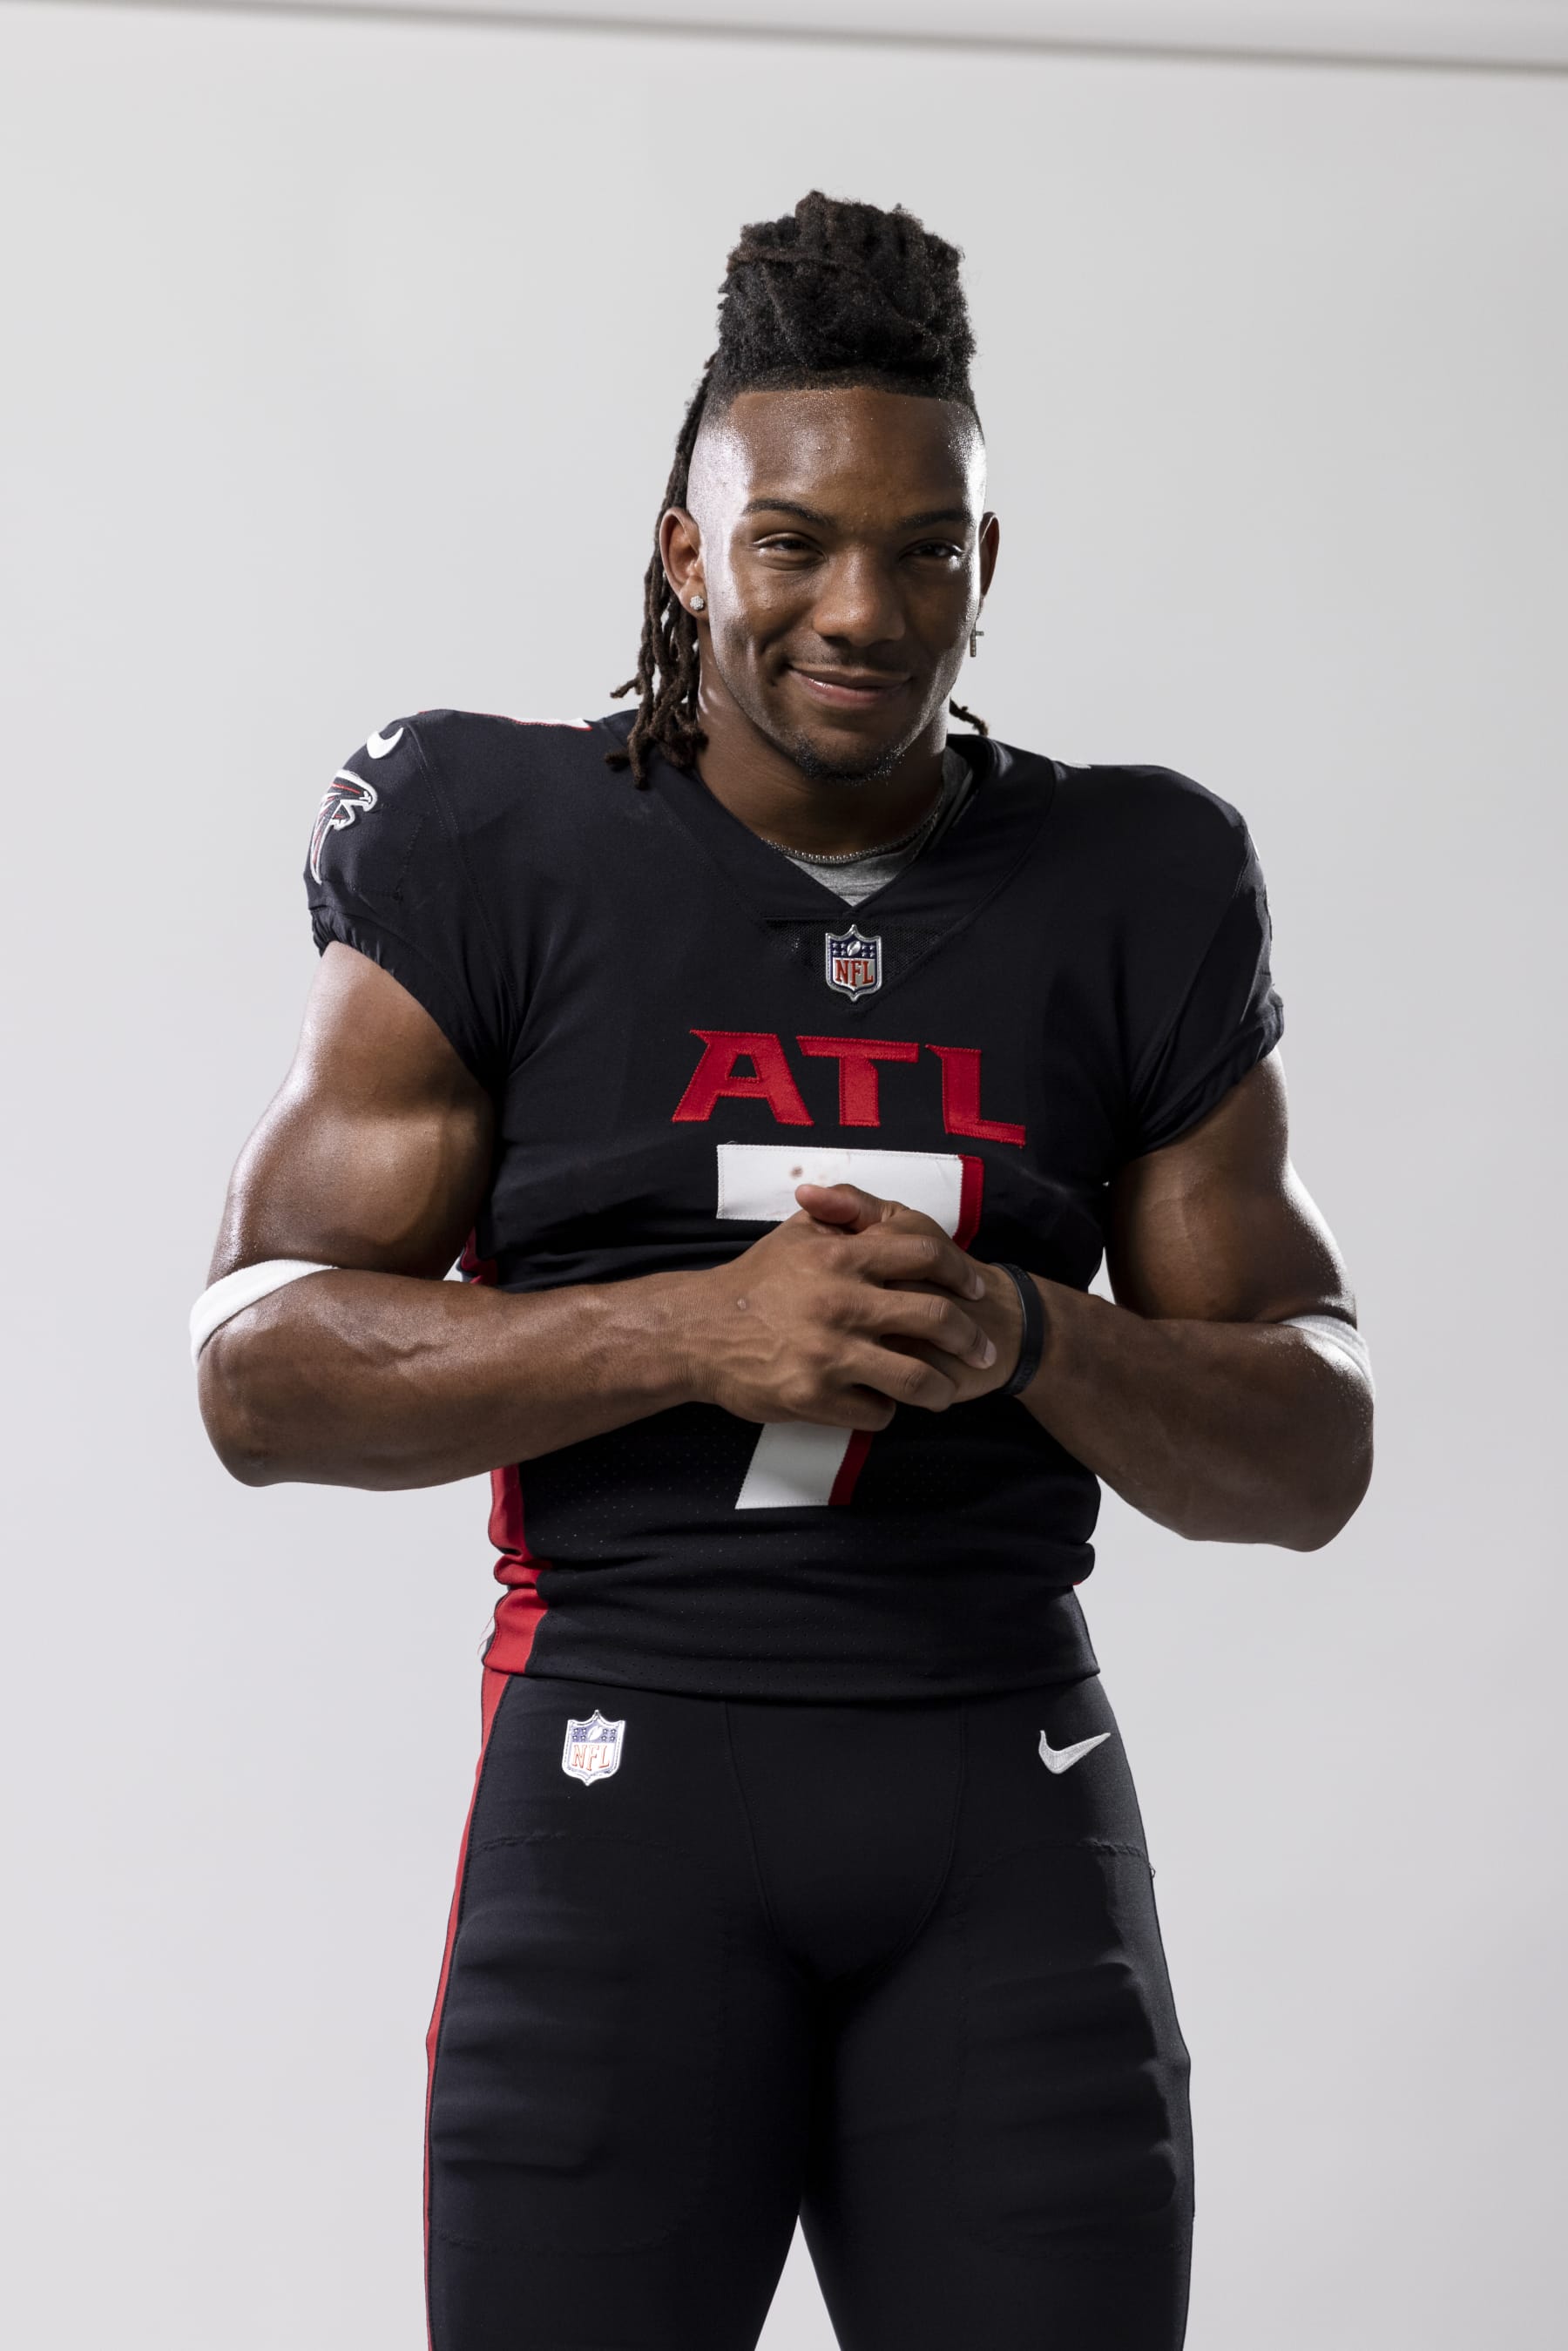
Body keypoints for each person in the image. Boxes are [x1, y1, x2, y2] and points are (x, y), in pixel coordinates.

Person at [194, 192, 1372, 2351]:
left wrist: (1026, 1326)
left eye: (928, 549)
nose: (864, 605)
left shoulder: (1136, 875)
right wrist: (690, 1328)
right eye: (794, 542)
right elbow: (257, 1369)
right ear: (682, 549)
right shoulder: (493, 835)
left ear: (988, 568)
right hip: (623, 1811)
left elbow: (1308, 1449)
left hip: (1001, 1810)